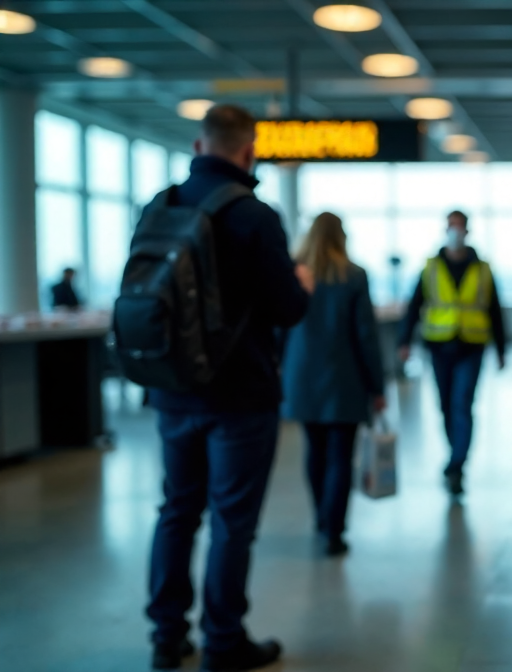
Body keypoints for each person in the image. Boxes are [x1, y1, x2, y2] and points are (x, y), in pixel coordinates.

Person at [145, 104, 311, 672]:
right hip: (239, 395)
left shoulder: (158, 206)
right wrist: (302, 284)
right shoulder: (253, 216)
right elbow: (287, 309)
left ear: (198, 146)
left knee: (176, 510)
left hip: (171, 389)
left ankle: (167, 636)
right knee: (231, 522)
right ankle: (223, 641)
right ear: (249, 152)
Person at [281, 213, 385, 557]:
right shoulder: (353, 276)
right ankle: (334, 531)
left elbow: (278, 328)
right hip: (345, 378)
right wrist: (377, 385)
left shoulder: (294, 272)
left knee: (315, 451)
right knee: (341, 456)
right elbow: (366, 336)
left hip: (302, 377)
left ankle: (321, 520)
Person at [396, 211, 507, 495]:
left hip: (472, 345)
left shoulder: (482, 269)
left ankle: (457, 463)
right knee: (445, 405)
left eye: (460, 227)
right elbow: (414, 304)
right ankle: (454, 454)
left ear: (467, 231)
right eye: (451, 227)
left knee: (462, 404)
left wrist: (502, 349)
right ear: (445, 229)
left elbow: (495, 309)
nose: (455, 232)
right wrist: (404, 341)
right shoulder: (431, 267)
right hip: (439, 345)